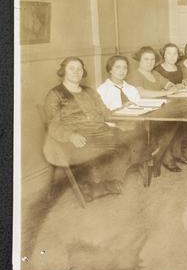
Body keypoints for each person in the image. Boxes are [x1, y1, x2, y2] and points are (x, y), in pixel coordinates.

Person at [44, 57, 134, 201]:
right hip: (78, 136)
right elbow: (53, 125)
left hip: (100, 131)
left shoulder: (90, 91)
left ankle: (109, 182)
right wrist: (71, 136)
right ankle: (95, 186)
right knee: (92, 152)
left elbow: (105, 113)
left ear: (83, 72)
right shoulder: (55, 94)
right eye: (71, 69)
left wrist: (122, 117)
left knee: (126, 143)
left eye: (79, 69)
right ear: (63, 71)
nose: (76, 72)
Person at [126, 47, 187, 173]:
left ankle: (175, 154)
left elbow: (167, 83)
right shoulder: (135, 74)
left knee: (177, 121)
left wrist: (173, 86)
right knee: (168, 125)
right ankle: (166, 158)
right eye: (146, 59)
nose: (149, 62)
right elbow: (142, 93)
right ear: (139, 60)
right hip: (143, 114)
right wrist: (164, 92)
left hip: (157, 108)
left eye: (152, 59)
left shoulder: (154, 73)